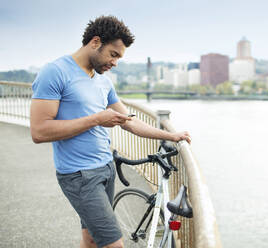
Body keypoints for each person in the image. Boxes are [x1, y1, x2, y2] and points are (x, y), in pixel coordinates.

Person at [30, 15, 191, 248]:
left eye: (119, 58)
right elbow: (39, 131)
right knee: (114, 244)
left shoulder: (103, 81)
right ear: (95, 42)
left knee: (92, 239)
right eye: (113, 55)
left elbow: (129, 121)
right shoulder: (55, 72)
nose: (115, 63)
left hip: (105, 169)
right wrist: (97, 119)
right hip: (79, 175)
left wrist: (171, 136)